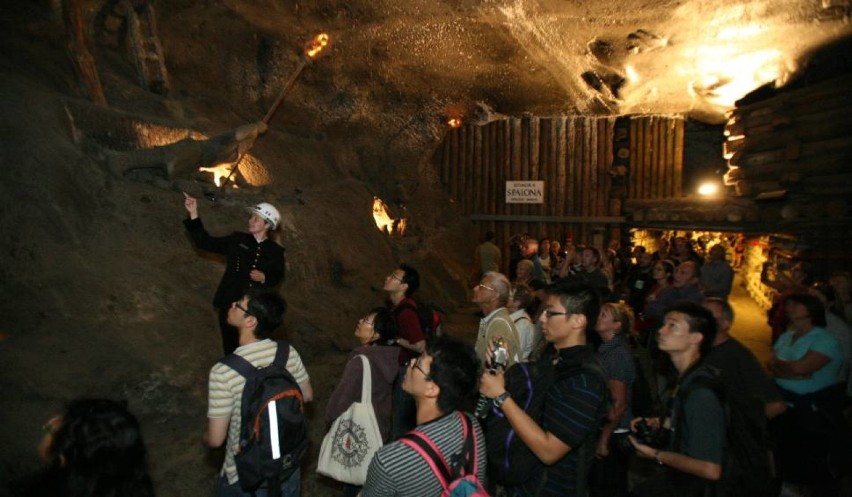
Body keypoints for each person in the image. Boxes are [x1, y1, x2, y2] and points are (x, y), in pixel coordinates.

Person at [480, 281, 609, 497]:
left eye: (550, 313)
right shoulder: (556, 358)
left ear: (578, 321)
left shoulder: (585, 381)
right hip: (526, 482)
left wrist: (501, 397)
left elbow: (549, 451)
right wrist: (501, 370)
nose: (541, 318)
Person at [204, 290, 314, 497]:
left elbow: (216, 440)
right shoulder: (287, 352)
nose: (232, 305)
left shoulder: (224, 371)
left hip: (245, 476)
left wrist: (206, 438)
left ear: (251, 322)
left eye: (238, 304)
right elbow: (307, 396)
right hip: (287, 466)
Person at [361, 337, 486, 496]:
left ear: (431, 389)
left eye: (418, 363)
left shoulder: (390, 461)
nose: (411, 362)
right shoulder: (471, 425)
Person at [629, 301, 725, 497]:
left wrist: (655, 454)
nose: (661, 331)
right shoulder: (687, 377)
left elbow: (710, 469)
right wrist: (662, 423)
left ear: (696, 338)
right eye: (664, 324)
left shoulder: (701, 392)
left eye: (672, 325)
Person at [767, 293, 849, 496]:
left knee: (805, 455)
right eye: (790, 304)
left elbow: (801, 368)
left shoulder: (825, 340)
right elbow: (773, 364)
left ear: (811, 311)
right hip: (784, 401)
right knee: (782, 449)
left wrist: (788, 368)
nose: (790, 308)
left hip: (810, 410)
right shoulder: (789, 335)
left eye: (797, 305)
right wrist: (792, 370)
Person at [184, 194, 285, 355]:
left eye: (256, 219)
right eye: (251, 217)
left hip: (256, 308)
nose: (251, 221)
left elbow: (278, 276)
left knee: (254, 347)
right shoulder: (237, 240)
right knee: (231, 346)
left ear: (267, 225)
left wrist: (264, 277)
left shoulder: (275, 251)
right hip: (230, 304)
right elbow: (205, 242)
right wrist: (193, 213)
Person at [325, 307, 400, 496]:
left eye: (366, 321)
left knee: (354, 480)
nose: (359, 321)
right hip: (380, 426)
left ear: (376, 334)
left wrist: (330, 418)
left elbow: (340, 400)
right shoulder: (387, 357)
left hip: (358, 432)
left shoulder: (361, 361)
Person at [13, 398, 154, 497]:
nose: (52, 421)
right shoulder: (135, 485)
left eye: (52, 430)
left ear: (63, 458)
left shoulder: (51, 490)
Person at [589, 302, 636, 497]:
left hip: (615, 431)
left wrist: (604, 439)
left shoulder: (616, 355)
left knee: (608, 486)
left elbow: (619, 402)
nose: (598, 316)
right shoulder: (607, 349)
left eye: (604, 315)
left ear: (617, 325)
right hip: (611, 428)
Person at [384, 264, 427, 439]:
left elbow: (420, 345)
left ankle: (398, 459)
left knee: (399, 419)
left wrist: (396, 340)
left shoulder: (406, 312)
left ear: (404, 286)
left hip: (405, 370)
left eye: (394, 276)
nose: (388, 277)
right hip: (399, 368)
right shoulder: (396, 307)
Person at [472, 271, 521, 368]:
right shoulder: (490, 320)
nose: (475, 288)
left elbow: (498, 368)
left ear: (495, 295)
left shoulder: (499, 325)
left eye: (482, 286)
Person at [507, 282, 537, 362]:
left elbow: (516, 355)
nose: (504, 298)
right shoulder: (511, 317)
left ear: (517, 302)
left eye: (509, 296)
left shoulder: (522, 325)